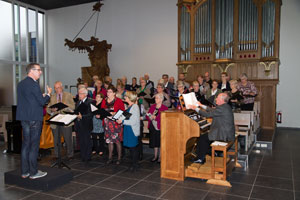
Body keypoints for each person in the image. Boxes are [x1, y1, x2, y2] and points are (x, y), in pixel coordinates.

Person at [17, 63, 52, 179]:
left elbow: (29, 99)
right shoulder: (34, 84)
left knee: (26, 144)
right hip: (34, 119)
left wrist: (40, 96)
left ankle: (25, 171)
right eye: (38, 70)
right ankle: (33, 172)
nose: (40, 72)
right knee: (34, 145)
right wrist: (48, 94)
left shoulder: (21, 84)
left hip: (24, 118)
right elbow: (42, 102)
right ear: (31, 71)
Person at [188, 93, 235, 164]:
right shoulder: (224, 106)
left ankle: (200, 158)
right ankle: (210, 153)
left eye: (217, 98)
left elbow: (207, 114)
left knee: (202, 138)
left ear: (222, 100)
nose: (215, 99)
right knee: (204, 137)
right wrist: (201, 105)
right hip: (224, 131)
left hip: (224, 134)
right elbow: (212, 110)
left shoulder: (222, 108)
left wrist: (195, 108)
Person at [47, 81, 75, 161]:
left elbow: (73, 107)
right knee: (56, 139)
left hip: (65, 120)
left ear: (62, 87)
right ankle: (57, 154)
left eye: (58, 87)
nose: (57, 89)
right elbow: (48, 108)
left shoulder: (68, 95)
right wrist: (52, 110)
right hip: (55, 120)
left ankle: (70, 154)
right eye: (55, 88)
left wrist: (65, 107)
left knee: (67, 138)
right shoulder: (52, 97)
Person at [101, 85, 125, 164]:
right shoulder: (104, 100)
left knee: (117, 141)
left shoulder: (118, 101)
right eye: (107, 91)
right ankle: (110, 157)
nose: (108, 93)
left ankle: (119, 158)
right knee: (109, 141)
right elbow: (101, 110)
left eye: (110, 92)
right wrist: (100, 114)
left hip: (116, 123)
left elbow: (123, 112)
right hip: (107, 123)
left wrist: (115, 113)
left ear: (114, 93)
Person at [117, 91, 140, 171]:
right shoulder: (129, 106)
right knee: (131, 148)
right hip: (128, 128)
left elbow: (133, 121)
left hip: (132, 129)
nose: (124, 97)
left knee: (133, 147)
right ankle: (133, 163)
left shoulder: (135, 107)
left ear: (130, 98)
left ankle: (135, 165)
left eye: (126, 96)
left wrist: (122, 121)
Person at [146, 93, 168, 163]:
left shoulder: (165, 108)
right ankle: (155, 156)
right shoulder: (153, 106)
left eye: (157, 98)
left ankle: (160, 157)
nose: (155, 99)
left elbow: (164, 118)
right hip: (152, 126)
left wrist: (156, 118)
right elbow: (147, 115)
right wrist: (150, 117)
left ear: (161, 99)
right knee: (154, 142)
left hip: (160, 127)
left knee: (160, 142)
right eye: (155, 98)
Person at [74, 87, 94, 164]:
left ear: (85, 94)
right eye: (78, 93)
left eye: (80, 93)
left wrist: (82, 117)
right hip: (79, 124)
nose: (79, 95)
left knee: (87, 141)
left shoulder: (90, 102)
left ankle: (88, 156)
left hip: (86, 124)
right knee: (81, 141)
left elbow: (91, 114)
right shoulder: (78, 102)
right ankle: (83, 156)